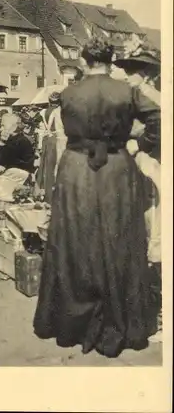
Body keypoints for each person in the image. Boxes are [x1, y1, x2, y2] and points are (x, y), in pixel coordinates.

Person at [33, 37, 161, 358]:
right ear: (111, 59)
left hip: (76, 170)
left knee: (75, 239)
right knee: (119, 238)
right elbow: (159, 118)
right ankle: (122, 319)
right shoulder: (127, 91)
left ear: (85, 59)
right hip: (117, 168)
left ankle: (73, 320)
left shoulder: (68, 93)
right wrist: (141, 143)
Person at [113, 39, 162, 342]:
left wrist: (138, 143)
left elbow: (158, 127)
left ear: (145, 74)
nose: (128, 75)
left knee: (155, 235)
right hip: (139, 168)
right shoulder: (137, 96)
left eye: (132, 70)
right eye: (127, 70)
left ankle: (159, 316)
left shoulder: (150, 96)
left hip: (153, 168)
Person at [35, 92, 67, 204]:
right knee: (57, 167)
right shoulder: (61, 111)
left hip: (47, 139)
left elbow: (43, 127)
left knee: (46, 167)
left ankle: (46, 194)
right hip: (58, 139)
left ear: (49, 101)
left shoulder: (43, 112)